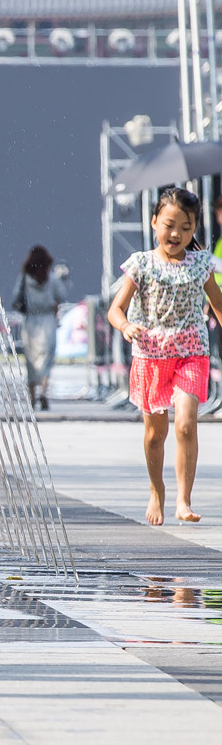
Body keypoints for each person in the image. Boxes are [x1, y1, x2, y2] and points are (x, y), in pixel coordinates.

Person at [108, 185, 222, 526]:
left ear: (194, 230)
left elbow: (218, 305)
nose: (176, 234)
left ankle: (184, 500)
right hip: (151, 357)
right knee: (155, 434)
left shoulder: (201, 264)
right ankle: (157, 489)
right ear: (155, 221)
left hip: (191, 353)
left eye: (186, 228)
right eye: (170, 224)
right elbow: (116, 309)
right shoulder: (141, 265)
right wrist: (126, 326)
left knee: (186, 425)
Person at [10, 244, 68, 410]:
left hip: (30, 321)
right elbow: (62, 296)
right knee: (46, 360)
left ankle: (32, 396)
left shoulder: (24, 278)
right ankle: (44, 391)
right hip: (48, 320)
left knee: (31, 360)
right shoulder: (52, 279)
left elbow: (15, 298)